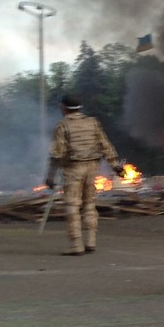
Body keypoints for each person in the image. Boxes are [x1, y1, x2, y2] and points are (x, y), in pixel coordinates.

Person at [46, 96, 124, 255]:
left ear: (63, 107)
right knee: (89, 203)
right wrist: (116, 166)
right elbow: (105, 146)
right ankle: (91, 241)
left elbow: (57, 154)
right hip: (92, 167)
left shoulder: (62, 125)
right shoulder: (93, 123)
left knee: (72, 205)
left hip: (73, 169)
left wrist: (51, 176)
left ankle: (76, 245)